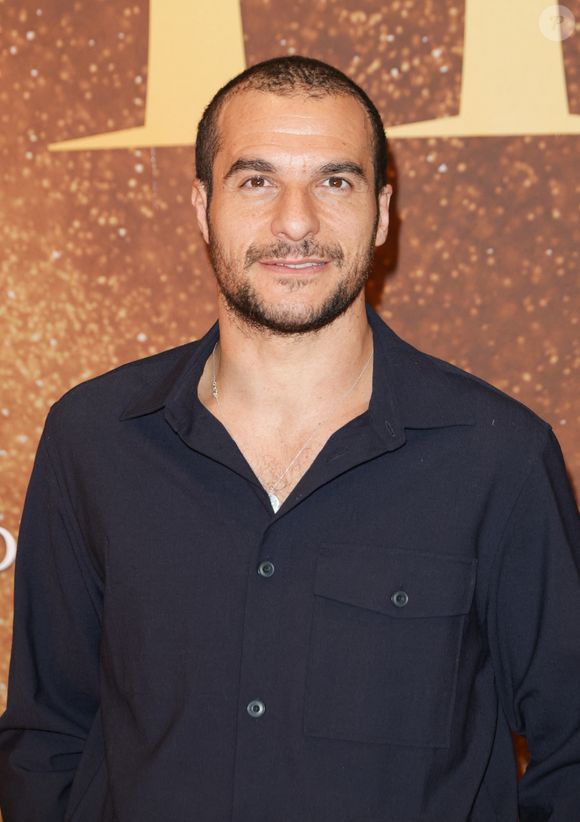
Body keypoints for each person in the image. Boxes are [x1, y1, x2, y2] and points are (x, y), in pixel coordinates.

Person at [0, 55, 579, 822]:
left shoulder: (499, 457)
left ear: (381, 211)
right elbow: (47, 738)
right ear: (203, 207)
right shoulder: (94, 439)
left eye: (335, 181)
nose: (297, 221)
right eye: (257, 180)